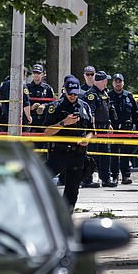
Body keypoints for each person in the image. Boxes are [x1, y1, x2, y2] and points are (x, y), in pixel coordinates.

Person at [43, 78, 94, 211]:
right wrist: (64, 123)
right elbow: (47, 132)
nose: (73, 96)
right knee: (42, 179)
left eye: (75, 93)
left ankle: (67, 215)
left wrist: (87, 139)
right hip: (59, 153)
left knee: (72, 190)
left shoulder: (84, 106)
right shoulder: (55, 107)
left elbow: (91, 130)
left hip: (78, 154)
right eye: (70, 93)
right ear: (64, 91)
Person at [109, 73, 138, 185]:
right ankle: (114, 176)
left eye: (120, 81)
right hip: (113, 130)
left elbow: (136, 114)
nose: (118, 84)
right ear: (112, 83)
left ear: (123, 83)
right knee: (113, 154)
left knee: (125, 153)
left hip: (126, 129)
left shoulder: (129, 96)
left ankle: (126, 176)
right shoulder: (108, 96)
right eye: (116, 81)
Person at [85, 71, 116, 187]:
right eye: (105, 80)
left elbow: (106, 110)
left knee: (105, 155)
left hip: (104, 128)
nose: (107, 82)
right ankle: (87, 179)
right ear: (102, 81)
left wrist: (109, 123)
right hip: (95, 129)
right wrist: (93, 130)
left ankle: (106, 179)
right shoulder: (91, 94)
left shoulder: (104, 93)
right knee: (92, 155)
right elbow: (91, 113)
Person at [27, 64, 55, 131]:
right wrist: (31, 107)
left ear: (43, 74)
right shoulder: (27, 88)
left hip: (44, 120)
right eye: (34, 73)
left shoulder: (47, 88)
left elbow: (54, 103)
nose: (36, 75)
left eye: (38, 73)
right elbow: (21, 104)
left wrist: (44, 106)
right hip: (30, 120)